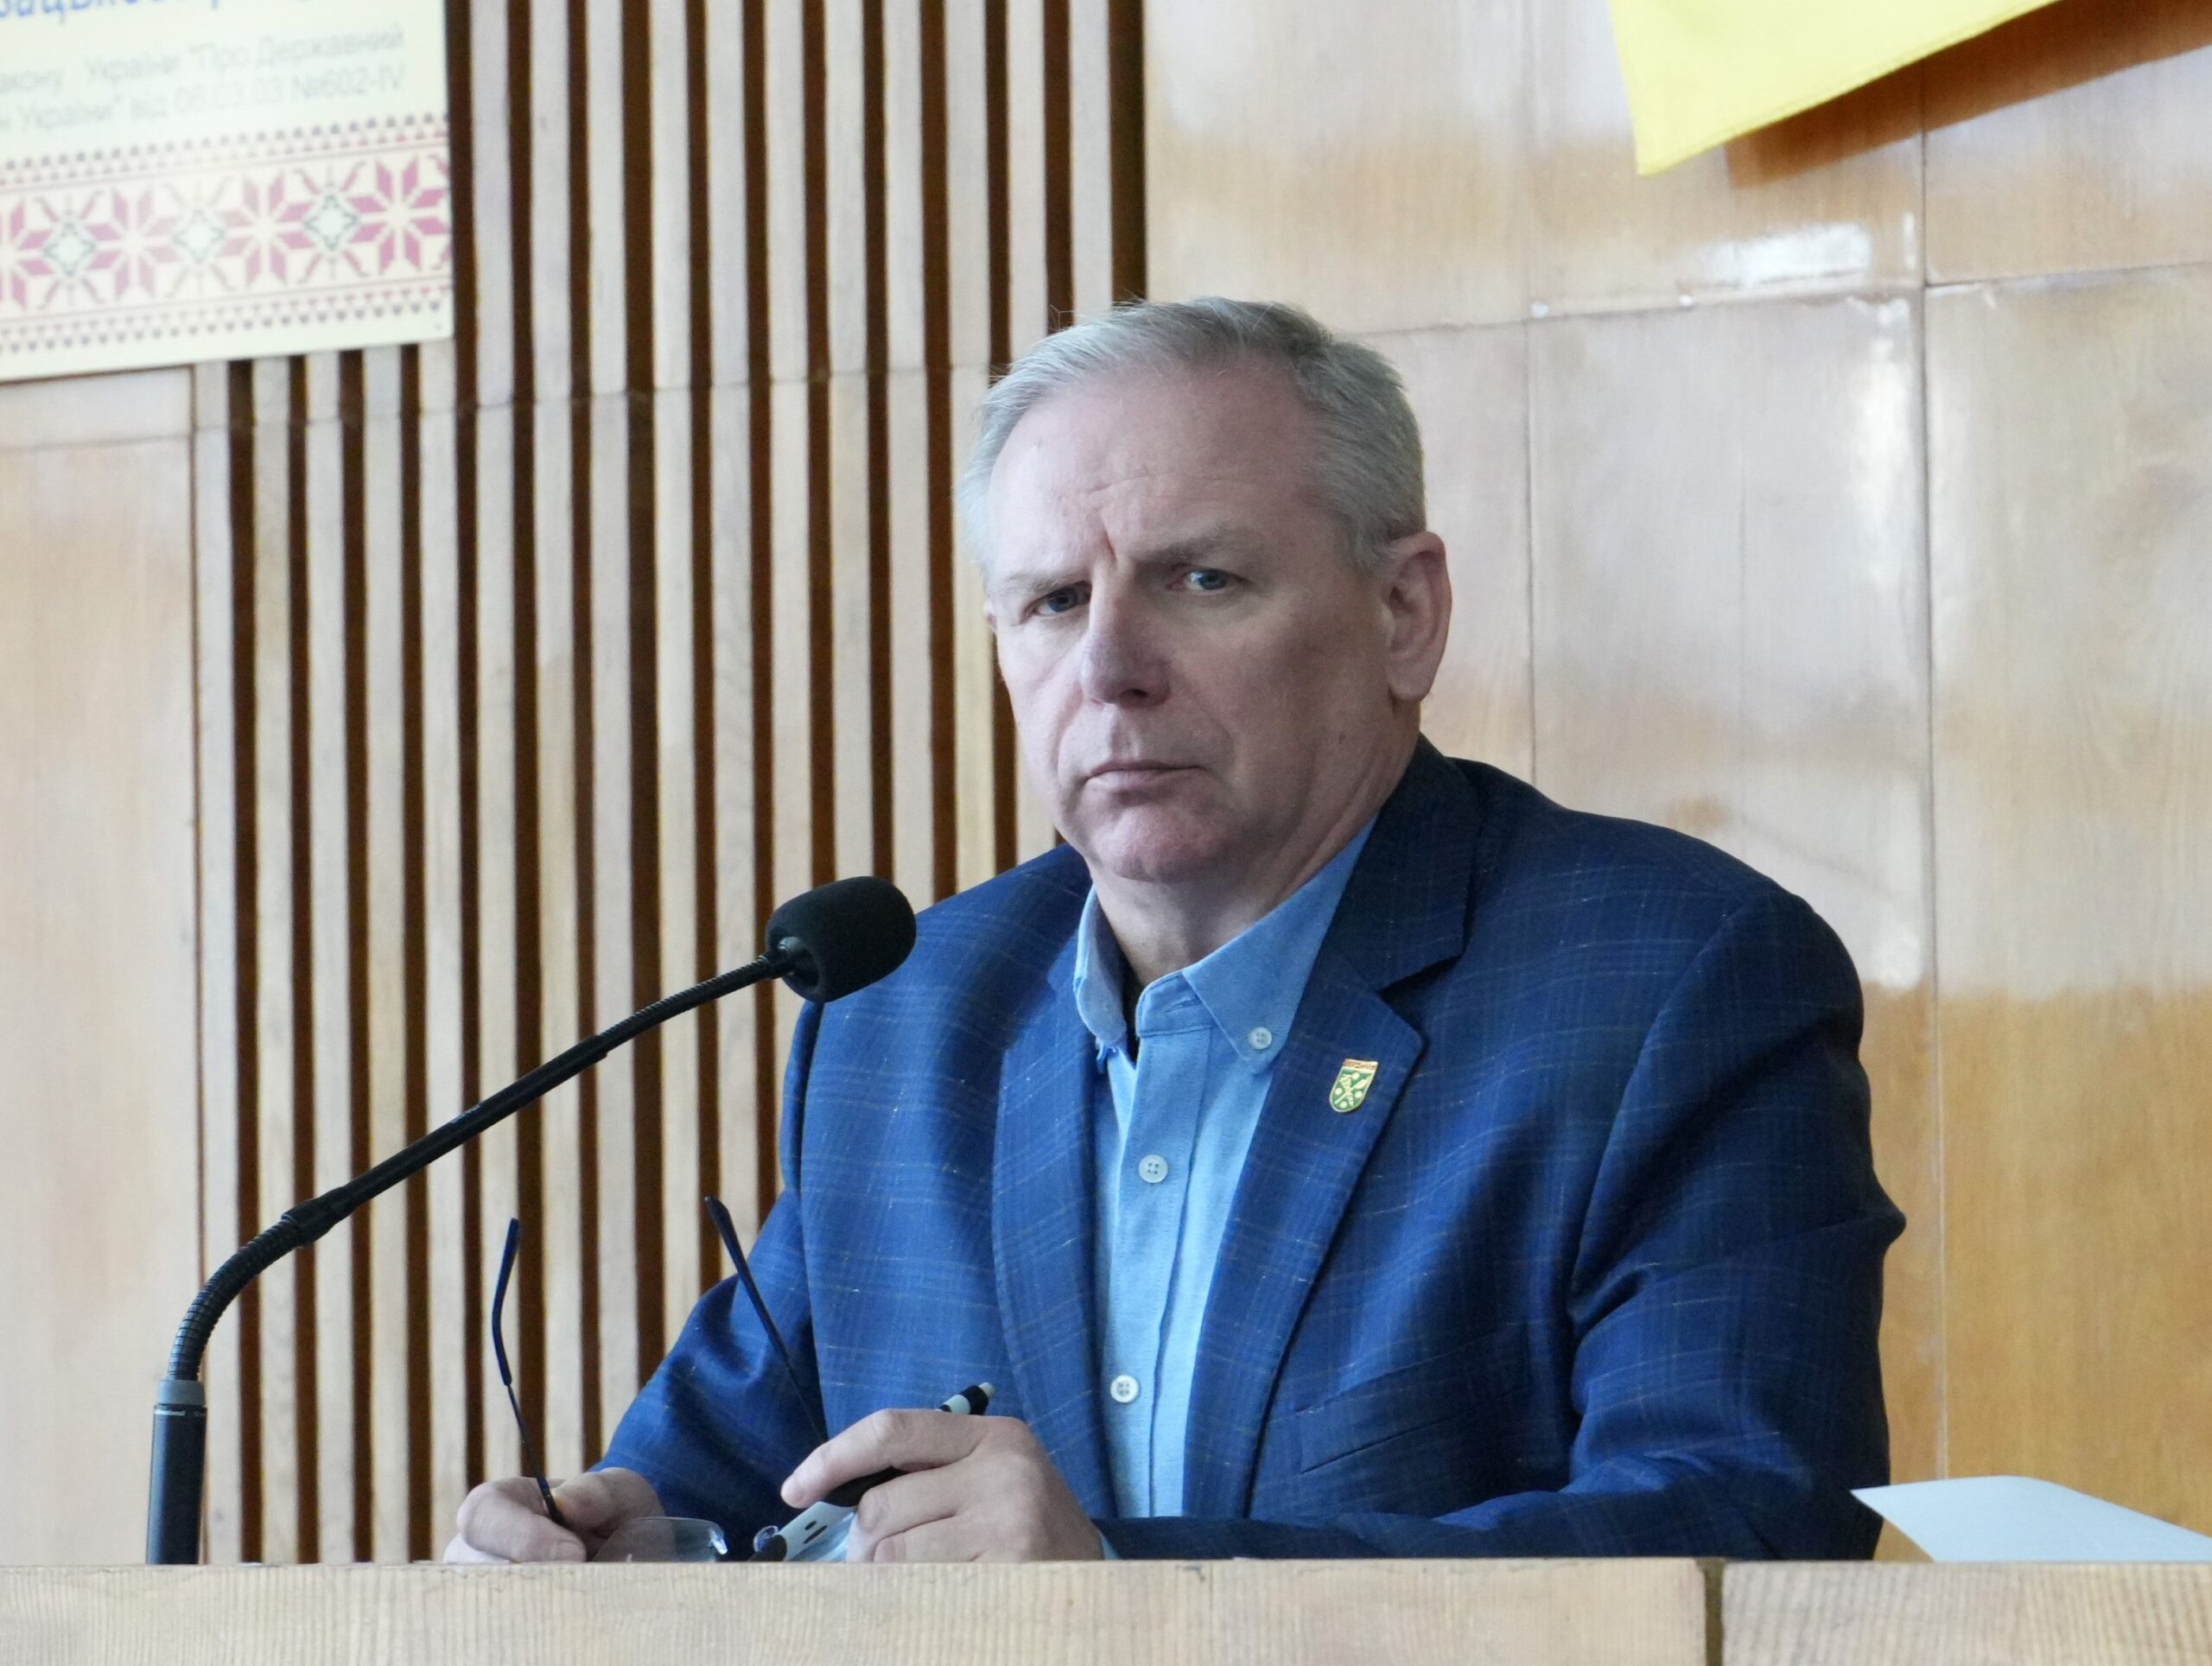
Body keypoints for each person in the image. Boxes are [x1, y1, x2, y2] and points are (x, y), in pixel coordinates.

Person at [447, 297, 1900, 1566]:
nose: (1110, 667)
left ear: (1404, 614)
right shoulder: (904, 1017)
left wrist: (1122, 1585)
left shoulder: (1668, 985)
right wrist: (615, 1547)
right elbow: (717, 1487)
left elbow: (1744, 1528)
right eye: (1051, 601)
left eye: (1202, 580)